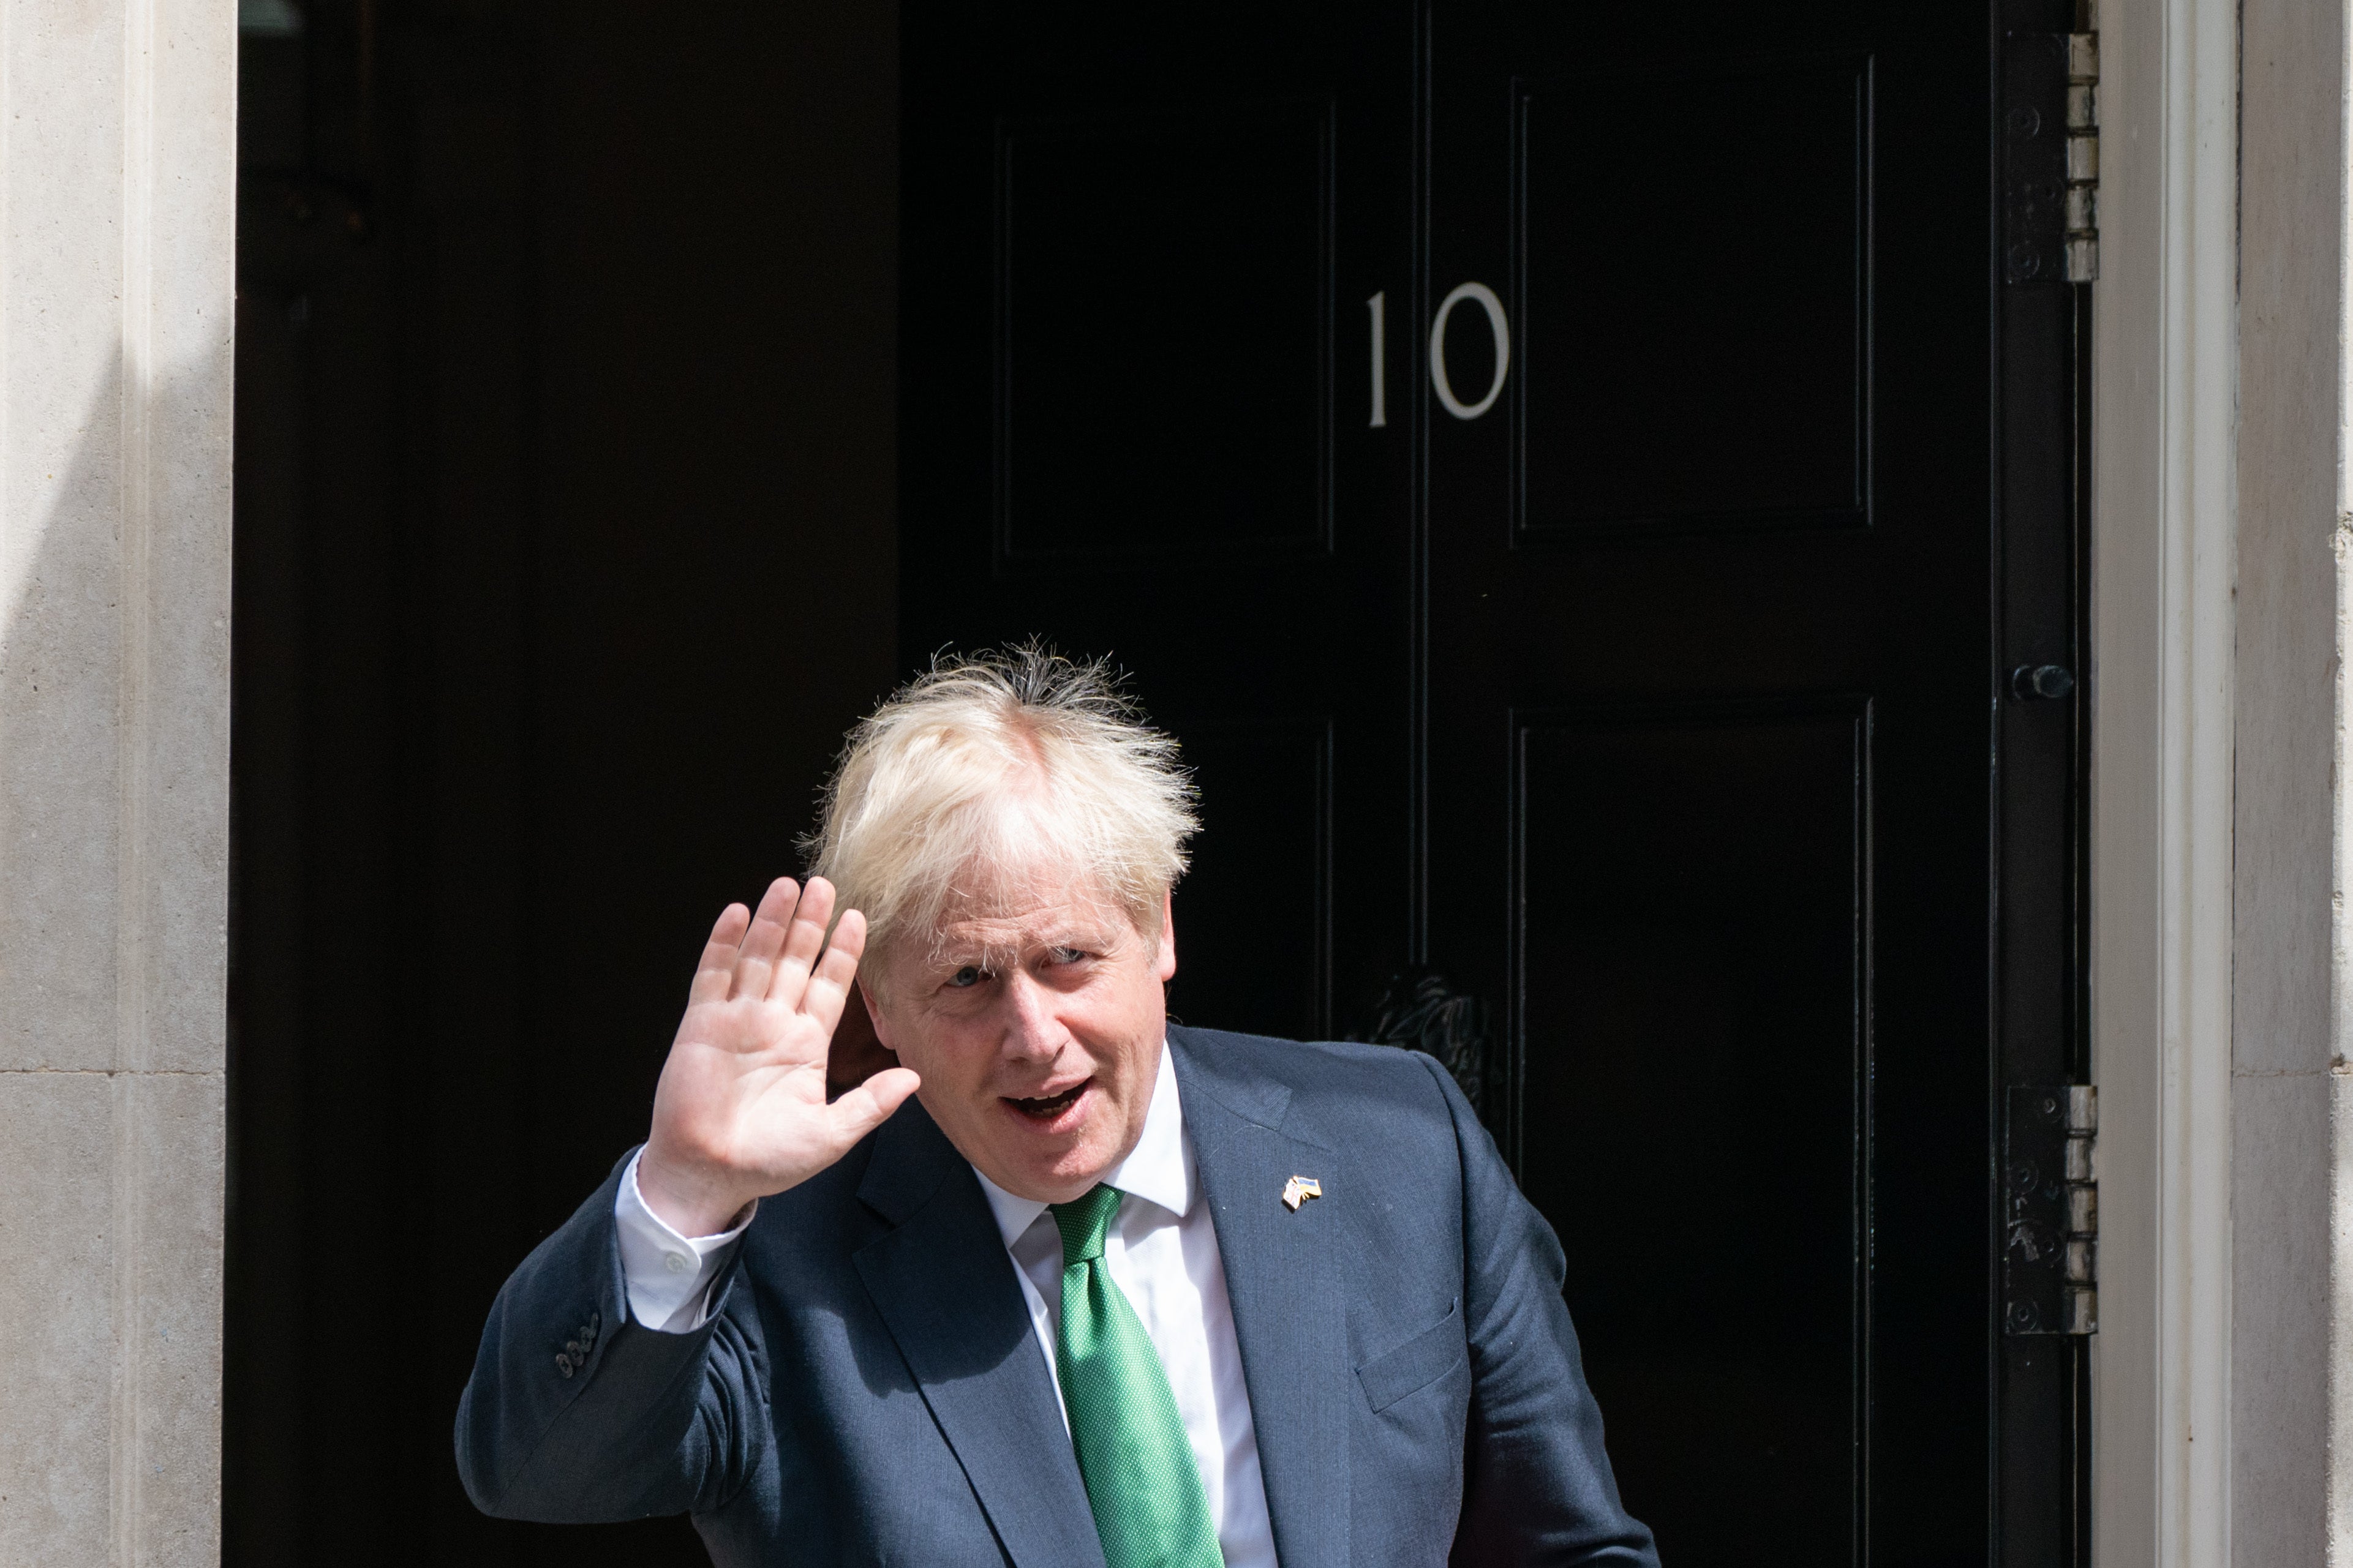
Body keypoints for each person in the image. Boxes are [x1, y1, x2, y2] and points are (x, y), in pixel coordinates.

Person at [455, 647, 1658, 1568]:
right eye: (967, 981)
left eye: (1071, 959)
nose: (1033, 1036)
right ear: (878, 1005)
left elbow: (1565, 1546)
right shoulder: (781, 1256)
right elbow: (541, 1473)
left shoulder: (1400, 1148)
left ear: (1160, 929)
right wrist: (684, 1187)